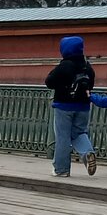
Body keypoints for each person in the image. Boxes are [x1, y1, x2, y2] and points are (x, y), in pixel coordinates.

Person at [44, 35, 96, 177]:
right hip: (83, 106)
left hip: (64, 106)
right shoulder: (87, 66)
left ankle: (61, 169)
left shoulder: (64, 65)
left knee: (63, 137)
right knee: (80, 132)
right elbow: (91, 84)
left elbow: (49, 82)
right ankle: (88, 153)